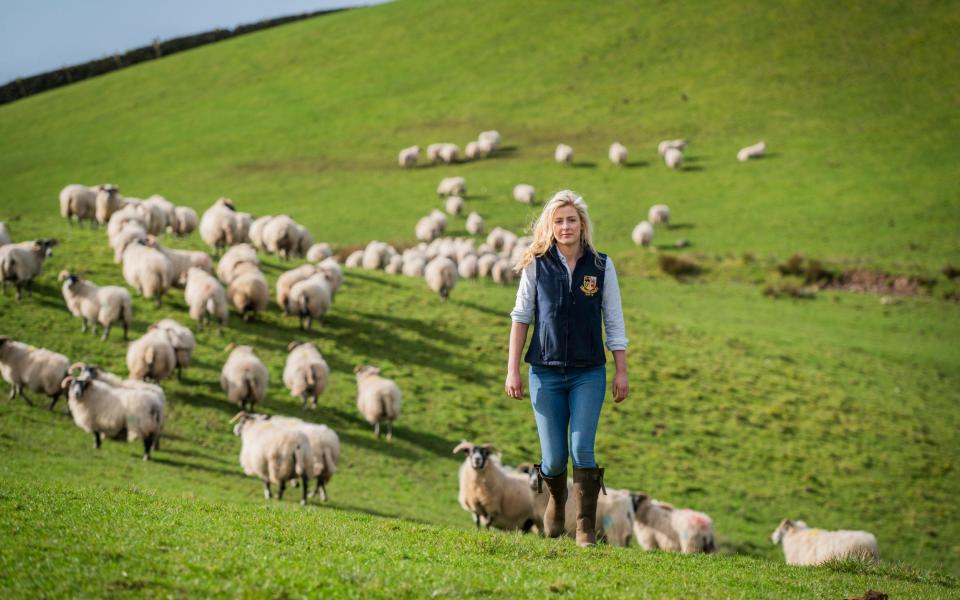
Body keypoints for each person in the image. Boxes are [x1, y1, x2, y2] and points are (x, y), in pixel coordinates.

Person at [505, 190, 629, 547]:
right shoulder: (536, 264)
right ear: (550, 226)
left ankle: (585, 527)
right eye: (558, 221)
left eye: (571, 220)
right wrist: (513, 370)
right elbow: (521, 318)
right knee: (555, 457)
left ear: (582, 224)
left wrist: (621, 371)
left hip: (588, 372)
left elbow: (615, 322)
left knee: (582, 450)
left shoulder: (602, 266)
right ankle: (558, 501)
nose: (565, 226)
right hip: (544, 372)